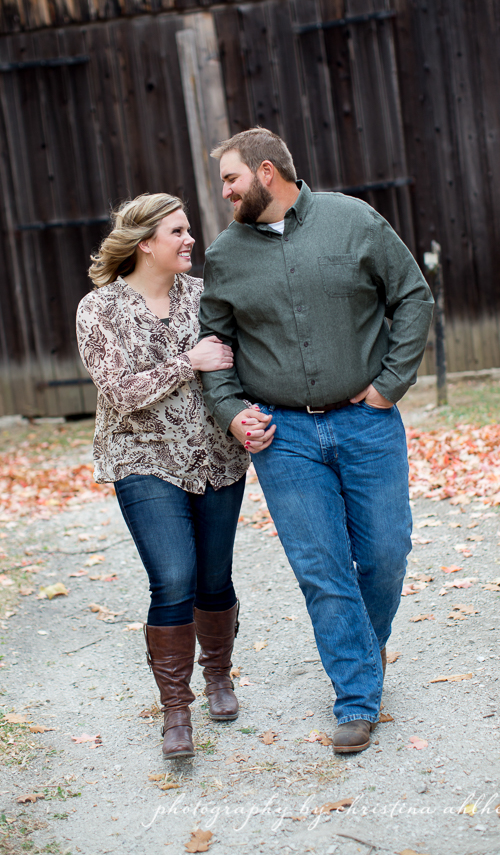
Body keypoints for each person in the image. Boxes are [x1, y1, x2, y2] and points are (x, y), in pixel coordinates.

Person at [198, 128, 434, 754]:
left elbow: (412, 296)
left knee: (386, 551)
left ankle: (362, 644)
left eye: (231, 179)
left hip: (366, 421)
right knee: (322, 567)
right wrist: (229, 411)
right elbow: (215, 351)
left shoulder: (352, 219)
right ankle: (356, 697)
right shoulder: (225, 257)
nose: (223, 193)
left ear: (266, 173)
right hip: (285, 435)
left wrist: (390, 384)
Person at [76, 194, 249, 760]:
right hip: (142, 457)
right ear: (145, 242)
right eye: (178, 231)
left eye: (189, 230)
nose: (190, 239)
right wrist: (187, 363)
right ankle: (177, 708)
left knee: (214, 579)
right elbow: (121, 393)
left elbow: (238, 366)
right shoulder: (97, 310)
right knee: (173, 576)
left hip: (216, 457)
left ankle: (218, 677)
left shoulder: (204, 298)